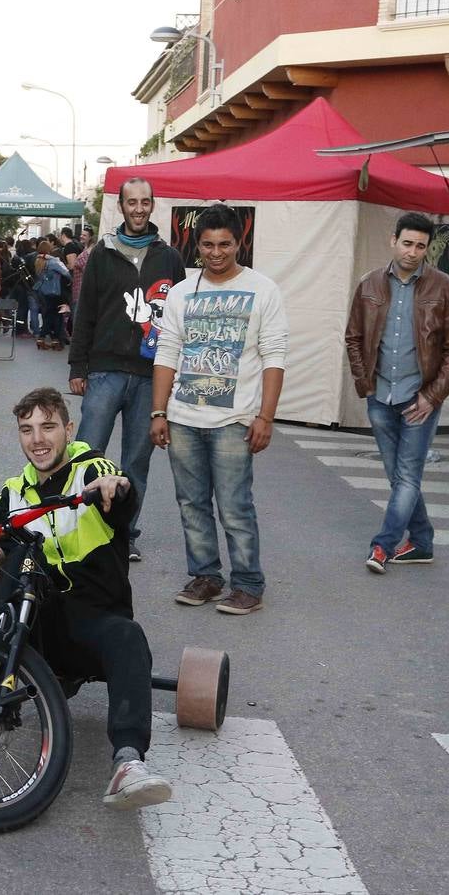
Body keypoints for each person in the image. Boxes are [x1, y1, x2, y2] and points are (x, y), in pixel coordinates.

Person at [0, 387, 172, 810]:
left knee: (129, 637)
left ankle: (128, 763)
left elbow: (121, 498)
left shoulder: (91, 469)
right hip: (34, 628)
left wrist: (116, 486)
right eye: (27, 430)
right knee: (14, 553)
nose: (37, 439)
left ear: (68, 429)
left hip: (93, 621)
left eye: (48, 427)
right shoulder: (11, 495)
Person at [150, 203, 288, 616]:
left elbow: (274, 356)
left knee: (234, 507)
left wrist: (265, 417)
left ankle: (248, 584)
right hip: (183, 418)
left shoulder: (263, 290)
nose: (216, 253)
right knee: (191, 504)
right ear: (197, 245)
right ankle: (206, 576)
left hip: (234, 421)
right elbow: (167, 352)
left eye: (224, 244)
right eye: (208, 245)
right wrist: (158, 412)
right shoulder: (181, 292)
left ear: (239, 243)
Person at [68, 180, 186, 562]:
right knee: (87, 453)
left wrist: (176, 374)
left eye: (144, 202)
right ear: (121, 206)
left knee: (136, 461)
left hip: (150, 375)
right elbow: (85, 312)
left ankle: (123, 534)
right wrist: (78, 365)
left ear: (152, 205)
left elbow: (179, 318)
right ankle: (81, 527)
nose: (138, 208)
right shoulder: (101, 254)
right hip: (104, 371)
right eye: (131, 202)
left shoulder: (169, 257)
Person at [345, 212, 449, 573]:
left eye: (420, 246)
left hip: (419, 399)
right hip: (380, 396)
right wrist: (365, 384)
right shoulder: (369, 285)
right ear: (393, 241)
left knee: (408, 476)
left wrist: (432, 397)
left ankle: (382, 546)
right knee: (399, 477)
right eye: (407, 243)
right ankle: (422, 541)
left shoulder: (445, 288)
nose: (412, 252)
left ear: (428, 249)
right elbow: (353, 338)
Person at [31, 240, 71, 351]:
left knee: (50, 315)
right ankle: (45, 338)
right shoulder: (53, 262)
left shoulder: (38, 261)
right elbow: (66, 272)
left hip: (43, 291)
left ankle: (52, 339)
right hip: (54, 291)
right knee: (54, 316)